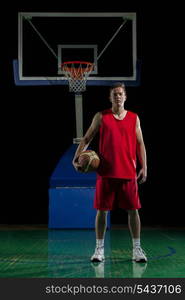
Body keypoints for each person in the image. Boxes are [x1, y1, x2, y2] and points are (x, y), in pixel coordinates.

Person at [72, 82, 147, 263]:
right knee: (102, 211)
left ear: (125, 97)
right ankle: (99, 250)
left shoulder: (134, 118)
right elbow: (87, 137)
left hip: (128, 172)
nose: (118, 97)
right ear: (110, 97)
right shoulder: (101, 116)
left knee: (133, 211)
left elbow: (140, 143)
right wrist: (76, 158)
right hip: (106, 172)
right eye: (114, 94)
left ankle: (137, 250)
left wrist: (144, 166)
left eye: (120, 94)